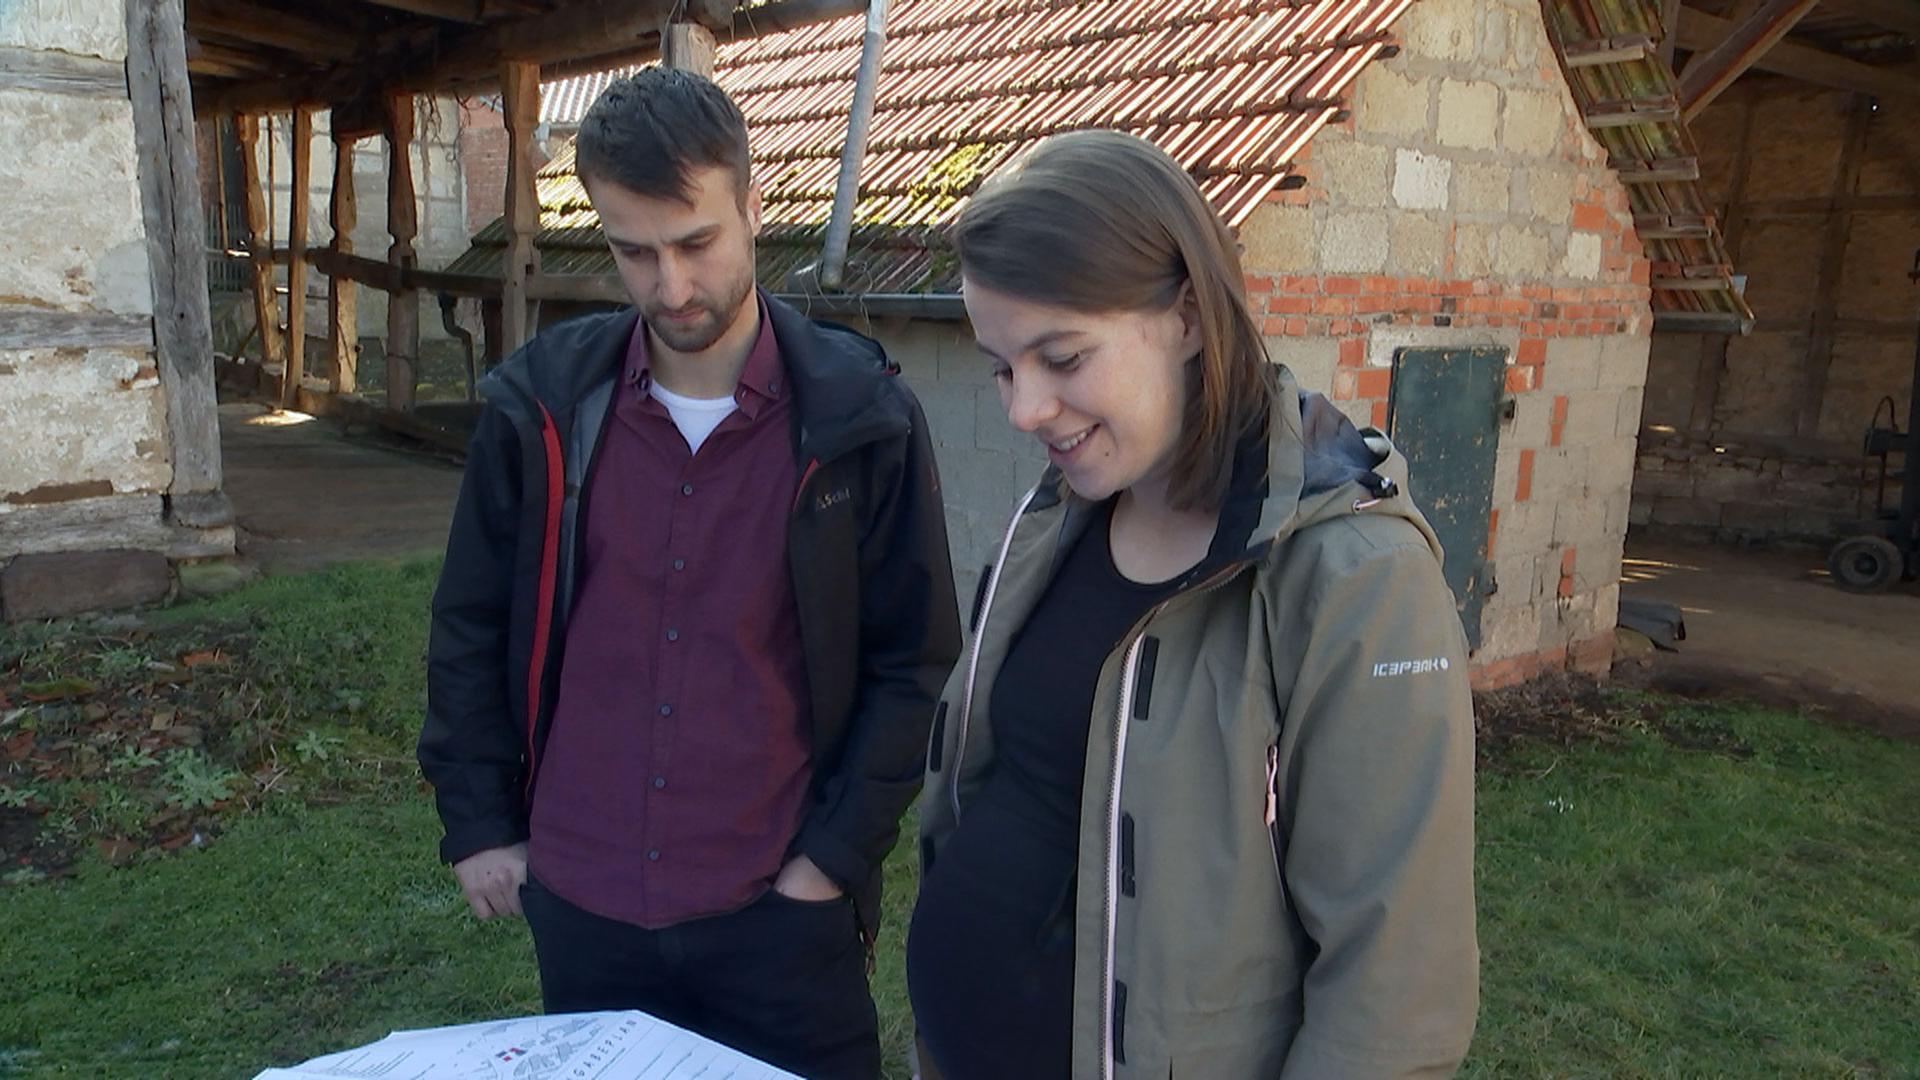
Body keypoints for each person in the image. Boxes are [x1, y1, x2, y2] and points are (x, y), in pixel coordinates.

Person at [418, 68, 960, 1080]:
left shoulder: (860, 418)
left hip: (780, 913)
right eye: (634, 252)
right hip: (582, 906)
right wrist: (479, 819)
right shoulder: (537, 410)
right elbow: (470, 623)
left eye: (696, 243)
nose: (670, 286)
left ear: (754, 209)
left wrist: (831, 863)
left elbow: (914, 661)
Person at [908, 130, 1479, 1079]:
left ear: (1188, 317)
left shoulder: (1354, 577)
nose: (1024, 410)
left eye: (1062, 356)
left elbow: (1394, 998)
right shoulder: (1057, 515)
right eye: (1003, 367)